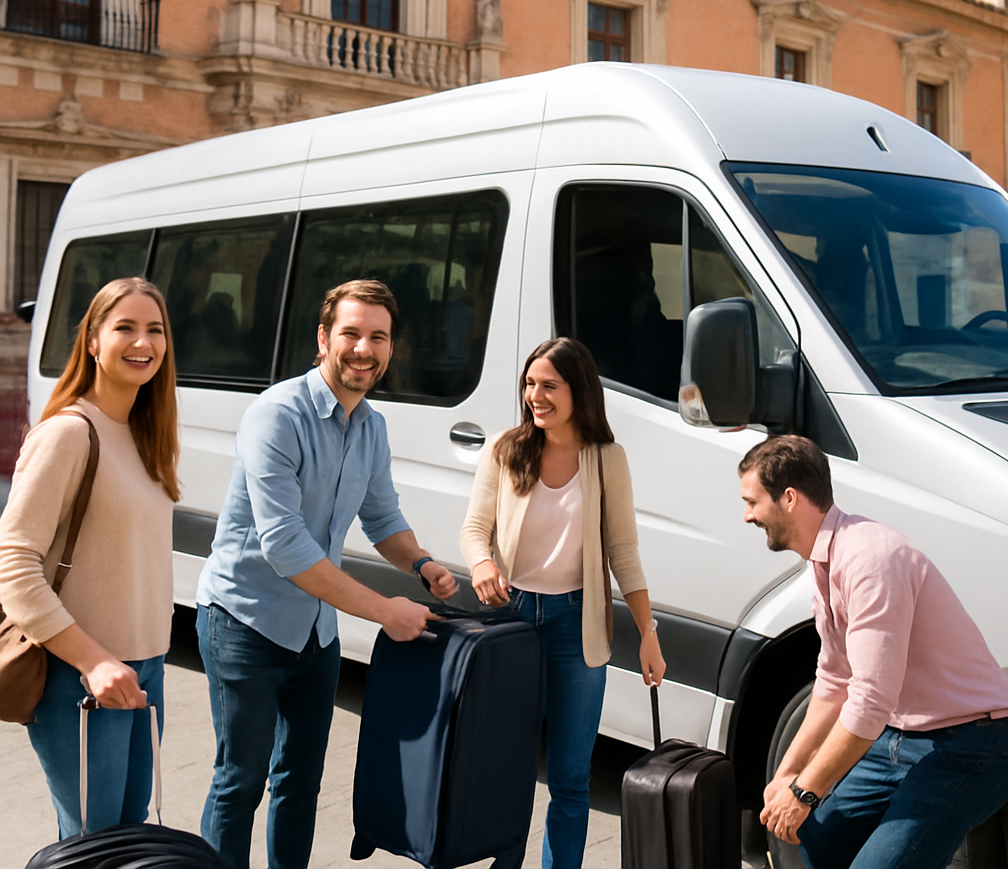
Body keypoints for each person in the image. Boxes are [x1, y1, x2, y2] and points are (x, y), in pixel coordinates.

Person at [196, 278, 457, 869]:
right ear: (323, 339)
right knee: (240, 782)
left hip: (315, 632)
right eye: (351, 334)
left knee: (301, 781)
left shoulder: (371, 426)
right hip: (244, 621)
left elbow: (382, 515)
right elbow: (285, 546)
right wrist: (386, 610)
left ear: (391, 349)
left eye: (378, 337)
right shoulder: (276, 415)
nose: (364, 349)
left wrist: (421, 563)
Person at [741, 434, 1008, 869]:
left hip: (973, 743)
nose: (747, 516)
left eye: (753, 501)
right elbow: (835, 679)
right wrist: (786, 775)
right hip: (899, 737)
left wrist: (804, 791)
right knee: (818, 842)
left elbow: (871, 700)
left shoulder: (871, 558)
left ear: (790, 499)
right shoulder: (826, 560)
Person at [460, 336, 665, 869]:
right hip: (511, 620)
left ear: (580, 390)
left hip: (577, 625)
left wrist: (647, 633)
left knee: (572, 777)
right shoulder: (507, 449)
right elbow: (475, 528)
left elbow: (623, 550)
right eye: (530, 384)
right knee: (508, 771)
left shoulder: (606, 459)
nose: (535, 395)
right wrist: (482, 564)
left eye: (549, 385)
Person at [0, 277, 179, 836]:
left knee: (123, 837)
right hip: (79, 677)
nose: (142, 341)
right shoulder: (69, 433)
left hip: (145, 670)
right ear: (93, 342)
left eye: (155, 329)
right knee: (89, 844)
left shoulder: (147, 435)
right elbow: (13, 563)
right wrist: (93, 661)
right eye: (124, 326)